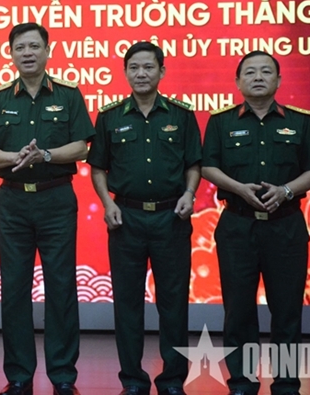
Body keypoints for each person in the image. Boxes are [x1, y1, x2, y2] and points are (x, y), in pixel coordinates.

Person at [0, 23, 95, 395]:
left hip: (56, 199)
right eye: (20, 47)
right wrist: (16, 157)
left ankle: (63, 376)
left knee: (61, 287)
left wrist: (45, 155)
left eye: (34, 46)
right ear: (11, 53)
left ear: (47, 51)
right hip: (13, 201)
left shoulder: (68, 95)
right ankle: (19, 376)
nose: (27, 53)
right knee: (14, 289)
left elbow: (82, 147)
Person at [202, 51, 310, 395]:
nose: (258, 77)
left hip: (285, 227)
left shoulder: (301, 121)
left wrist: (286, 191)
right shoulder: (221, 122)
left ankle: (286, 383)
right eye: (250, 72)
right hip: (237, 227)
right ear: (237, 81)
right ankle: (242, 382)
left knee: (286, 312)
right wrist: (238, 189)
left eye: (265, 72)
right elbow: (208, 166)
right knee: (239, 312)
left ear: (278, 80)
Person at [87, 42, 201, 395]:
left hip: (171, 218)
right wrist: (106, 203)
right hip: (127, 219)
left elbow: (194, 164)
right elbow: (97, 168)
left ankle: (172, 380)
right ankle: (133, 380)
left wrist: (189, 194)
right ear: (125, 72)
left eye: (148, 67)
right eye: (134, 67)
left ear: (161, 71)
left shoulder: (181, 115)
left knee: (173, 304)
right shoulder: (110, 116)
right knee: (127, 304)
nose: (141, 74)